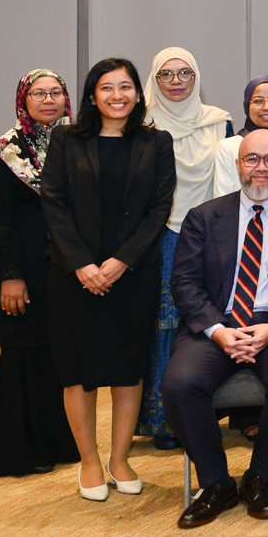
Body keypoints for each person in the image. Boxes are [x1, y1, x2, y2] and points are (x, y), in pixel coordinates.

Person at [163, 129, 268, 528]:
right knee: (179, 384)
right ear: (238, 165)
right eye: (252, 158)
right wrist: (218, 331)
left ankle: (260, 477)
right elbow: (184, 284)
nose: (261, 167)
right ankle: (216, 483)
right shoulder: (203, 217)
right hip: (215, 325)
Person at [41, 58, 176, 502]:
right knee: (77, 371)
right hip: (73, 275)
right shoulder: (66, 139)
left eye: (125, 87)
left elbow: (159, 208)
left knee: (127, 369)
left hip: (132, 274)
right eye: (106, 87)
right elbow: (54, 204)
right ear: (92, 95)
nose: (117, 96)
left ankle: (120, 459)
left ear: (138, 93)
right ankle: (90, 462)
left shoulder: (156, 142)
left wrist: (121, 262)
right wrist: (82, 264)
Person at [0, 69, 80, 477]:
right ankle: (20, 452)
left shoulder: (76, 144)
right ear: (23, 100)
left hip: (65, 269)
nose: (48, 100)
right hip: (24, 272)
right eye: (39, 93)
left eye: (56, 93)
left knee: (59, 356)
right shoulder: (5, 152)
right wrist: (8, 276)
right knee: (23, 357)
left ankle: (60, 444)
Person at [138, 47, 233, 449]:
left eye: (184, 74)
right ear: (153, 79)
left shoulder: (219, 123)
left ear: (196, 78)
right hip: (157, 235)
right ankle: (162, 422)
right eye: (166, 74)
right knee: (162, 325)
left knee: (203, 322)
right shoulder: (141, 124)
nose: (176, 82)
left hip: (206, 234)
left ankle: (201, 414)